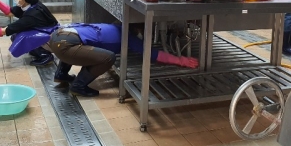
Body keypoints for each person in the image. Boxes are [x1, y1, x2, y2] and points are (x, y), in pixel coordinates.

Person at [49, 23, 199, 97]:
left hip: (58, 36)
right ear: (138, 29)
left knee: (82, 46)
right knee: (108, 57)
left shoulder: (113, 27)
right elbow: (152, 54)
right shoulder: (129, 37)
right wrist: (181, 60)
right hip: (66, 47)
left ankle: (61, 75)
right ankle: (78, 86)